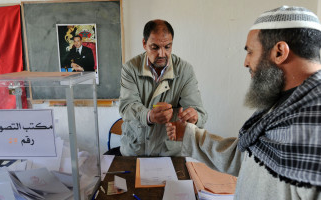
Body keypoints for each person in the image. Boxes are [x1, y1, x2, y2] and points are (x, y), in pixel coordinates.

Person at [166, 6, 321, 199]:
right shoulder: (280, 107)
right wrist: (189, 135)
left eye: (250, 52)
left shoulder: (314, 126)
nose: (246, 62)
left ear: (279, 52)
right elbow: (247, 158)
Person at [119, 19, 208, 156]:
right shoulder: (130, 68)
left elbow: (200, 113)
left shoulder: (185, 71)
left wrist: (193, 118)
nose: (162, 54)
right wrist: (149, 116)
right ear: (144, 43)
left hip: (170, 152)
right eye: (155, 47)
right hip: (135, 149)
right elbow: (126, 107)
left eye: (167, 47)